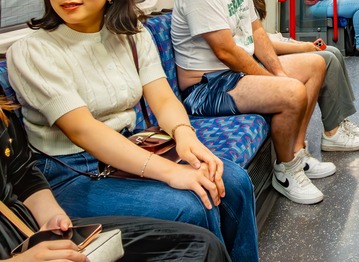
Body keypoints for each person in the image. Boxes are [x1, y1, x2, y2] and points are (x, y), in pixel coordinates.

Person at [6, 0, 258, 260]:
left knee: (232, 180)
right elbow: (83, 131)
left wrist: (185, 136)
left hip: (131, 146)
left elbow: (162, 97)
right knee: (193, 203)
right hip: (71, 172)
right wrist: (172, 172)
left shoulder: (131, 35)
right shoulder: (32, 51)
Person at [171, 0, 330, 206]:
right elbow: (226, 51)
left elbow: (256, 32)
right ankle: (285, 171)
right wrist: (276, 80)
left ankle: (296, 153)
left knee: (315, 64)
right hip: (207, 86)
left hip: (234, 75)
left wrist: (277, 73)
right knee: (291, 91)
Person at [0, 96, 231, 261]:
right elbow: (82, 129)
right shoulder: (33, 53)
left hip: (26, 227)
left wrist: (51, 217)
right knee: (187, 205)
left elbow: (23, 175)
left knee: (201, 246)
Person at [238, 0, 359, 151]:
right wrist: (304, 46)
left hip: (265, 48)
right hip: (257, 57)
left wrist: (294, 42)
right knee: (325, 57)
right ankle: (332, 132)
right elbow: (256, 42)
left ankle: (339, 120)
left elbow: (261, 36)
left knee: (333, 51)